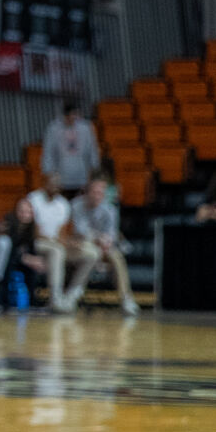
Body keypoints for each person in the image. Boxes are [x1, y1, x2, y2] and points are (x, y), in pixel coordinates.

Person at [28, 173, 98, 311]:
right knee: (57, 251)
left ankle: (71, 296)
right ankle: (55, 297)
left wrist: (70, 243)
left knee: (92, 253)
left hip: (56, 243)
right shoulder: (33, 199)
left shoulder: (63, 204)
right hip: (37, 243)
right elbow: (34, 231)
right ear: (44, 183)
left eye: (58, 184)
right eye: (52, 183)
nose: (55, 186)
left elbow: (63, 232)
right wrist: (57, 241)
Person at [71, 176, 138, 315]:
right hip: (81, 244)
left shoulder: (110, 209)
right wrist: (98, 239)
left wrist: (106, 242)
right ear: (87, 192)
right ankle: (73, 295)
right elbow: (80, 231)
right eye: (95, 192)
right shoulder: (76, 205)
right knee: (92, 252)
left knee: (117, 256)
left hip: (102, 245)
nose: (98, 196)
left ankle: (126, 299)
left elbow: (112, 234)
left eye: (101, 193)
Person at [41, 102, 99, 195]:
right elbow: (48, 153)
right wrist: (49, 173)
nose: (74, 118)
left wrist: (93, 171)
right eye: (72, 115)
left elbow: (92, 151)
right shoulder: (53, 128)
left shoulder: (86, 128)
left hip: (82, 176)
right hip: (61, 177)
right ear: (65, 115)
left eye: (76, 115)